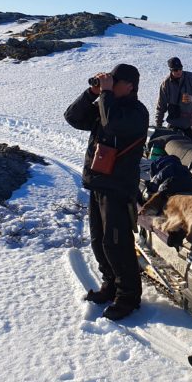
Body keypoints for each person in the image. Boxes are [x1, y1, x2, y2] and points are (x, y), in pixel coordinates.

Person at [64, 63, 149, 321]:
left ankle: (128, 296)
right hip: (98, 183)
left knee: (117, 243)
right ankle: (110, 284)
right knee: (99, 241)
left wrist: (106, 95)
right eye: (108, 81)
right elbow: (73, 118)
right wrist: (91, 93)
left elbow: (112, 125)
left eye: (114, 81)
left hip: (118, 186)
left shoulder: (136, 111)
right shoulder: (106, 103)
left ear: (130, 85)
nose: (108, 86)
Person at [154, 57, 192, 143]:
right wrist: (158, 125)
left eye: (180, 69)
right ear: (170, 70)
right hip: (176, 121)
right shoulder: (166, 84)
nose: (178, 71)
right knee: (169, 145)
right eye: (175, 70)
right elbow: (161, 106)